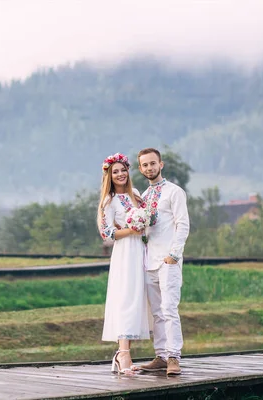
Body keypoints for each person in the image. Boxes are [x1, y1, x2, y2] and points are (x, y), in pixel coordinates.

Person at [136, 147, 190, 376]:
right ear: (140, 169)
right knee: (156, 312)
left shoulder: (174, 192)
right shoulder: (143, 197)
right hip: (149, 262)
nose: (149, 168)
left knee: (169, 310)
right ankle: (160, 355)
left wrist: (174, 255)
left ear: (161, 164)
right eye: (145, 165)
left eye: (152, 163)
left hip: (168, 261)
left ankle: (174, 357)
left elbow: (183, 225)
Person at [97, 152, 151, 375]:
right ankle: (122, 354)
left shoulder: (136, 194)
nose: (120, 174)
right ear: (109, 175)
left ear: (129, 171)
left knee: (138, 298)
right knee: (126, 298)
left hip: (141, 250)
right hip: (125, 252)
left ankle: (125, 354)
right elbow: (106, 233)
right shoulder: (108, 201)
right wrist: (131, 230)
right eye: (115, 171)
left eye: (123, 170)